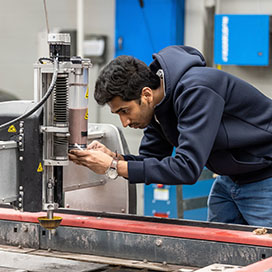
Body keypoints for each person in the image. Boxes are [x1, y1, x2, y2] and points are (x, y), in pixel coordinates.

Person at [69, 45, 272, 227]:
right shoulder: (158, 106)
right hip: (230, 180)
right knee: (222, 256)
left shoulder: (196, 90)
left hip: (265, 178)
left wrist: (113, 167)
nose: (125, 122)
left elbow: (187, 169)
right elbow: (151, 160)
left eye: (125, 111)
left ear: (146, 95)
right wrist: (116, 159)